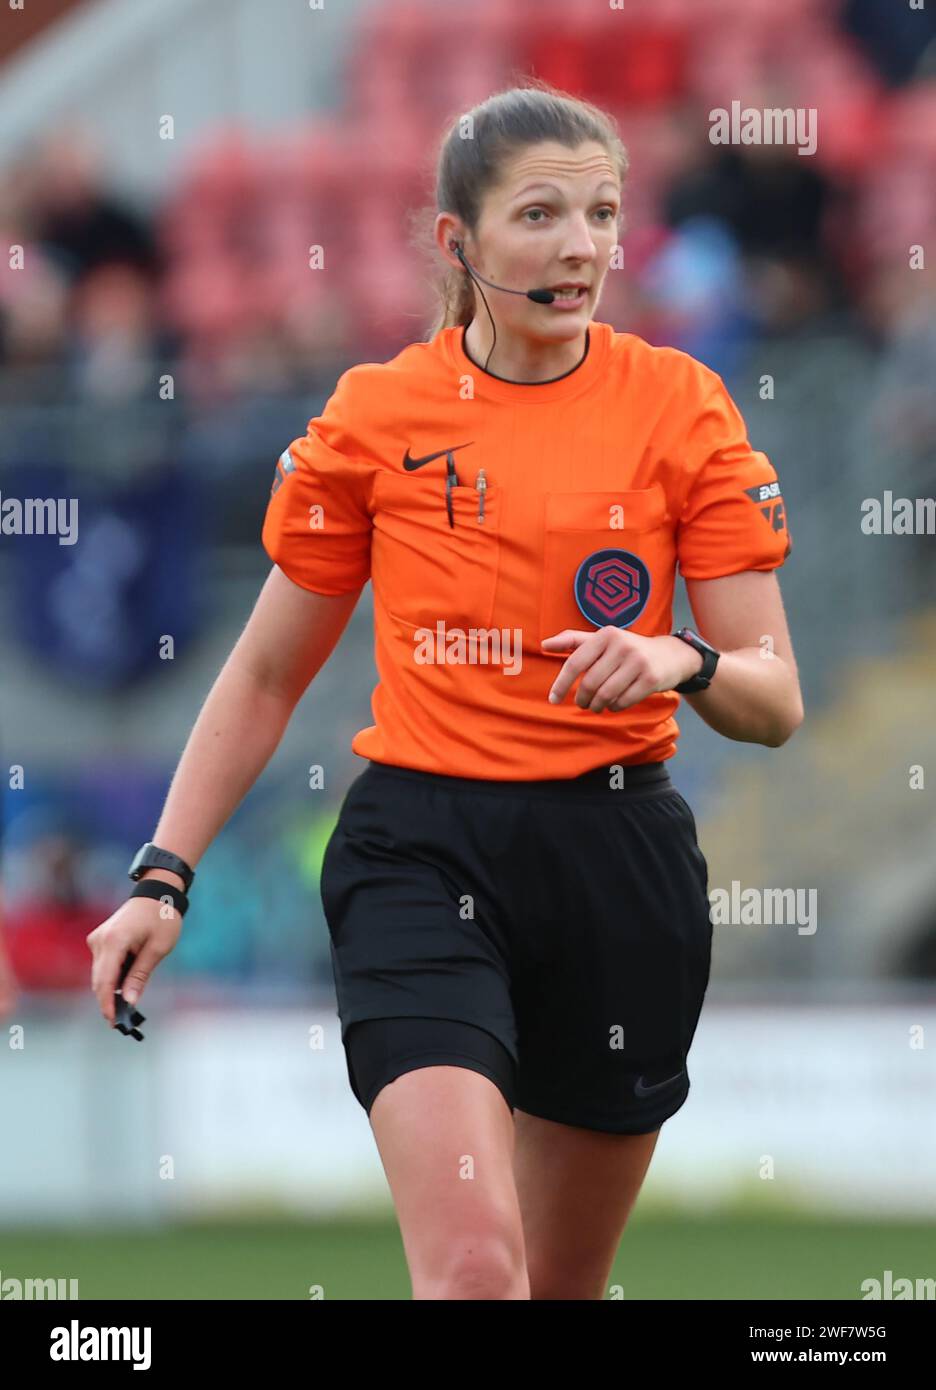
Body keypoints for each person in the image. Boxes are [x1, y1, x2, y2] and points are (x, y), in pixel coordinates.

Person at [87, 82, 803, 1300]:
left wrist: (681, 659)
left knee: (559, 1286)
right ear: (456, 243)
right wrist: (164, 874)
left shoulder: (683, 406)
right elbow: (264, 671)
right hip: (424, 854)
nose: (580, 246)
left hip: (619, 862)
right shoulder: (374, 419)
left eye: (602, 213)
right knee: (476, 1270)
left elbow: (774, 696)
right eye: (539, 215)